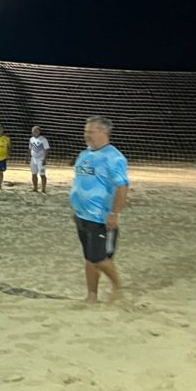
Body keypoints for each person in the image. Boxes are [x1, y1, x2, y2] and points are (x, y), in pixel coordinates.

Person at [70, 116, 129, 303]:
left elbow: (122, 187)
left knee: (99, 258)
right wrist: (77, 209)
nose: (86, 135)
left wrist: (114, 213)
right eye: (85, 131)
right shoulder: (84, 155)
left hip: (101, 218)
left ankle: (118, 287)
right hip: (82, 216)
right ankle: (91, 296)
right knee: (89, 258)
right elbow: (80, 183)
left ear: (104, 132)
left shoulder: (114, 157)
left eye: (91, 131)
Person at [29, 125, 51, 193]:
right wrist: (28, 157)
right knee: (33, 174)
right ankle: (35, 188)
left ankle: (43, 189)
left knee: (42, 175)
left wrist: (44, 159)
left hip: (40, 159)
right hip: (33, 159)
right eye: (33, 131)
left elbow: (47, 149)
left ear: (39, 132)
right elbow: (30, 148)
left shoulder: (43, 139)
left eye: (36, 130)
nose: (35, 132)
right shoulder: (31, 139)